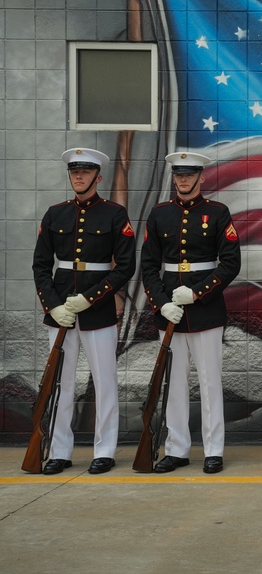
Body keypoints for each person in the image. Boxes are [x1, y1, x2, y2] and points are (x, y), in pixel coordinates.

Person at [32, 148, 136, 475]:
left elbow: (125, 268)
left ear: (98, 176)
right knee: (59, 383)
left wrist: (90, 298)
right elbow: (40, 266)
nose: (78, 176)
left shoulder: (115, 214)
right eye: (74, 171)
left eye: (85, 171)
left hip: (98, 310)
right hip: (60, 309)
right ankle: (60, 451)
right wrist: (53, 305)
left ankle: (104, 450)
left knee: (104, 381)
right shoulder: (54, 214)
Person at [140, 152, 241, 474]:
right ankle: (177, 448)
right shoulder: (159, 215)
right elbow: (149, 265)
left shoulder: (217, 213)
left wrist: (197, 292)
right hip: (169, 310)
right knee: (175, 382)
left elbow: (230, 263)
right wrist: (161, 302)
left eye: (189, 174)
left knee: (210, 382)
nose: (183, 180)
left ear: (201, 178)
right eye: (178, 174)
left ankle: (213, 450)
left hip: (206, 309)